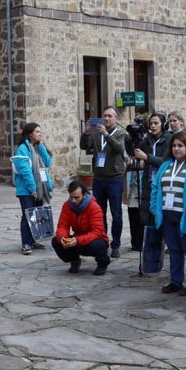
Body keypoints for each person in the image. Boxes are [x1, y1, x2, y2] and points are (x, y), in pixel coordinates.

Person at [150, 129, 186, 295]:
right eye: (174, 146)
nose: (177, 149)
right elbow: (156, 186)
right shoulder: (166, 165)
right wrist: (154, 207)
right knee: (174, 250)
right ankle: (175, 281)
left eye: (181, 146)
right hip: (168, 215)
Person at [80, 106, 127, 258]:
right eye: (104, 116)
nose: (106, 119)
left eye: (110, 116)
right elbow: (84, 146)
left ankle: (116, 244)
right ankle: (103, 241)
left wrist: (107, 134)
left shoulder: (120, 133)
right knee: (99, 213)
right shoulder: (95, 134)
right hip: (99, 179)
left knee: (116, 214)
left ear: (115, 119)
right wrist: (86, 132)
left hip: (114, 179)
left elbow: (119, 148)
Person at [132, 112, 170, 272]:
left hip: (164, 184)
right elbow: (133, 150)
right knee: (149, 223)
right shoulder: (147, 140)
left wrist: (147, 157)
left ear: (163, 125)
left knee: (161, 222)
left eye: (156, 123)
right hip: (148, 183)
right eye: (151, 123)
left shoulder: (169, 140)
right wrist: (132, 137)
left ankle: (160, 261)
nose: (152, 126)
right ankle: (149, 263)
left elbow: (167, 161)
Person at [51, 179, 110, 275]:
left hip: (94, 240)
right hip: (77, 240)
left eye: (77, 197)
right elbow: (63, 225)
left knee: (98, 245)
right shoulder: (67, 206)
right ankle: (74, 261)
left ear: (84, 195)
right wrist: (62, 237)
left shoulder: (94, 207)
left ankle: (103, 263)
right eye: (71, 197)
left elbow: (97, 232)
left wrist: (78, 240)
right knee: (56, 241)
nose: (73, 200)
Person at [13, 122, 54, 255]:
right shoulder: (23, 149)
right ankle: (26, 243)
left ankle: (33, 240)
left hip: (40, 188)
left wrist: (42, 147)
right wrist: (33, 189)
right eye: (37, 132)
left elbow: (48, 163)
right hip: (27, 190)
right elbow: (25, 171)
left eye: (40, 131)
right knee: (27, 216)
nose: (40, 134)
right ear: (30, 134)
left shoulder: (37, 148)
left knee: (36, 216)